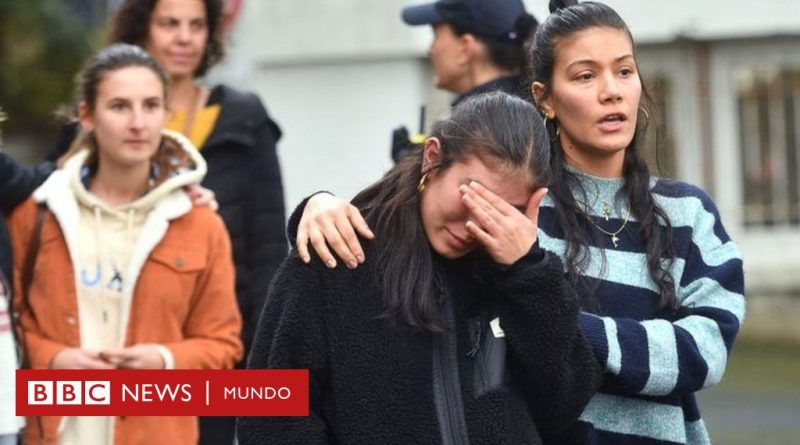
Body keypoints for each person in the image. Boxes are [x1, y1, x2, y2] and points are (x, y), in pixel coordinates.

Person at [291, 1, 747, 444]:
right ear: (544, 98)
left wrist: (568, 324)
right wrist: (318, 205)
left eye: (624, 71)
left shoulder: (687, 213)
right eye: (585, 75)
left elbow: (707, 350)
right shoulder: (510, 210)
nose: (611, 90)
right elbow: (415, 217)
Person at [238, 92, 601, 445]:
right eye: (470, 196)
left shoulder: (519, 275)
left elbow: (562, 407)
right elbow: (268, 411)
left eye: (500, 212)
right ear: (432, 158)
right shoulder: (338, 252)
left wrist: (529, 273)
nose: (472, 226)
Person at [8, 44, 243, 445]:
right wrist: (53, 359)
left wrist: (164, 360)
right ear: (87, 115)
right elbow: (11, 324)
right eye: (119, 106)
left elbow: (223, 344)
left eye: (151, 105)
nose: (138, 122)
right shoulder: (36, 213)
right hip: (54, 433)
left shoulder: (201, 222)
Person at [85, 2, 287, 441]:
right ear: (141, 29)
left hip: (214, 351)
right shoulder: (101, 119)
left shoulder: (243, 117)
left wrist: (262, 357)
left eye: (197, 25)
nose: (184, 38)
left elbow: (268, 246)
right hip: (109, 347)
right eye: (169, 23)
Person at [391, 0, 538, 162]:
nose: (430, 49)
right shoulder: (534, 111)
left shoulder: (477, 131)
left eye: (436, 36)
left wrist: (413, 174)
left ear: (465, 48)